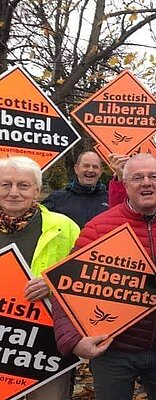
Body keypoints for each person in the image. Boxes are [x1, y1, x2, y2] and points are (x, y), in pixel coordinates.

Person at [51, 153, 156, 400]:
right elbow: (64, 286)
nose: (146, 182)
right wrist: (73, 341)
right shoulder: (99, 227)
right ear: (125, 185)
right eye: (137, 177)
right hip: (112, 350)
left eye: (153, 176)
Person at [0, 156, 80, 400]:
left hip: (46, 345)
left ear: (37, 190)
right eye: (6, 185)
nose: (14, 192)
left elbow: (85, 278)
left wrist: (55, 283)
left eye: (23, 185)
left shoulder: (64, 227)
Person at [42, 151, 108, 228]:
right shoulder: (57, 199)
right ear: (76, 169)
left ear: (100, 171)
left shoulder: (110, 199)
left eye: (95, 167)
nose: (90, 170)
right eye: (86, 166)